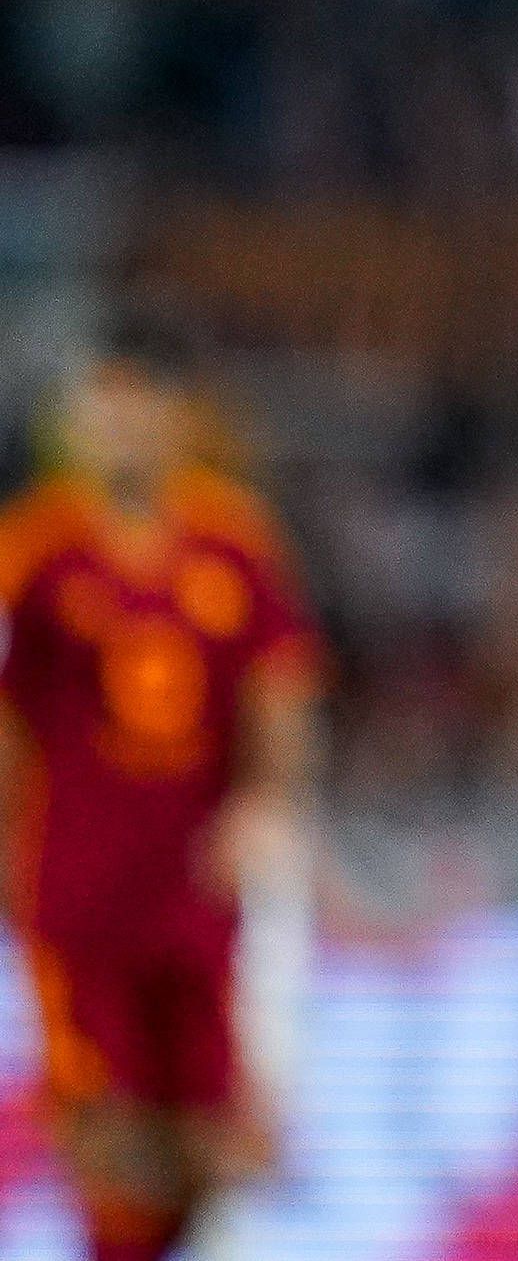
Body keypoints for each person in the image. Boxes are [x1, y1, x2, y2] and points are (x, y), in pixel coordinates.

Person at [0, 315, 320, 1261]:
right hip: (79, 883)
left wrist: (268, 803)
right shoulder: (35, 549)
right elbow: (10, 718)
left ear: (180, 416)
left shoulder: (234, 541)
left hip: (197, 881)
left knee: (214, 1131)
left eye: (139, 403)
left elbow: (279, 687)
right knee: (105, 1125)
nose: (120, 426)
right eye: (103, 404)